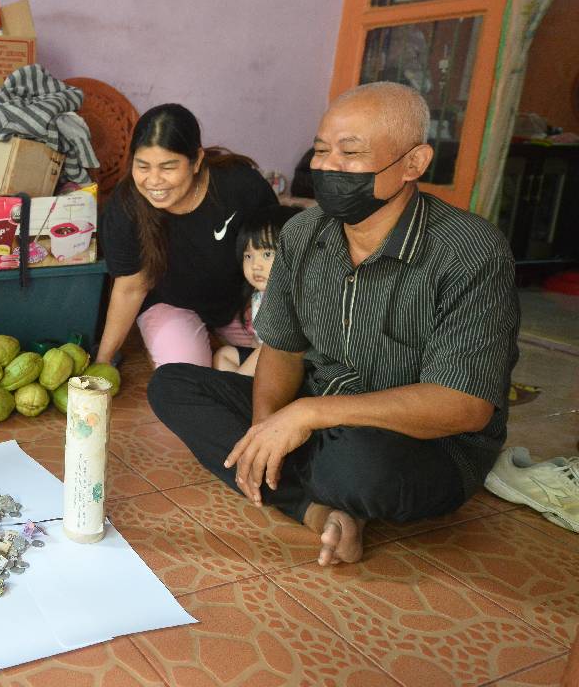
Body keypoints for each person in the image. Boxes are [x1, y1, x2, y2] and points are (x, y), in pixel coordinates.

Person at [147, 82, 519, 567]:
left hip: (417, 442)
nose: (327, 166)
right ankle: (318, 510)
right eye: (321, 150)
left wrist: (307, 417)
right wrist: (267, 430)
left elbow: (464, 408)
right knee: (173, 385)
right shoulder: (303, 232)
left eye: (351, 152)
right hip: (317, 411)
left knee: (359, 466)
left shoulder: (469, 251)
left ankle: (331, 490)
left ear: (413, 163)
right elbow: (282, 348)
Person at [96, 104, 277, 367]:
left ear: (196, 161)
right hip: (171, 303)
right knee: (184, 372)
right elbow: (130, 289)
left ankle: (222, 341)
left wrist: (259, 298)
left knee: (277, 362)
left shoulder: (239, 186)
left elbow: (279, 251)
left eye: (168, 167)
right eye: (143, 166)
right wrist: (102, 361)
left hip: (236, 301)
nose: (154, 180)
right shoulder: (125, 206)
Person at [212, 205, 301, 376]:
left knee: (265, 351)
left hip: (294, 364)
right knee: (224, 355)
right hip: (265, 357)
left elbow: (276, 347)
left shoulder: (295, 297)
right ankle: (239, 392)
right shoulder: (258, 295)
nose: (255, 265)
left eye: (267, 255)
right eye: (248, 256)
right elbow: (257, 339)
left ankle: (234, 391)